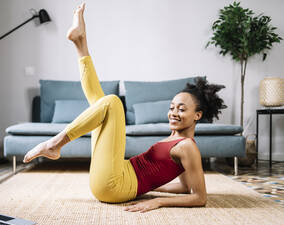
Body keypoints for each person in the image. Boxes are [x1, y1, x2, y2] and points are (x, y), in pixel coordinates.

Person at [23, 3, 227, 213]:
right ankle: (79, 43)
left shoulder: (187, 146)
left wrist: (157, 201)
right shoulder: (176, 140)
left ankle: (55, 143)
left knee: (112, 102)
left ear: (198, 115)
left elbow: (199, 197)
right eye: (172, 107)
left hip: (115, 185)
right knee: (99, 102)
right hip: (118, 177)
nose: (174, 113)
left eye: (182, 109)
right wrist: (150, 189)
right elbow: (185, 187)